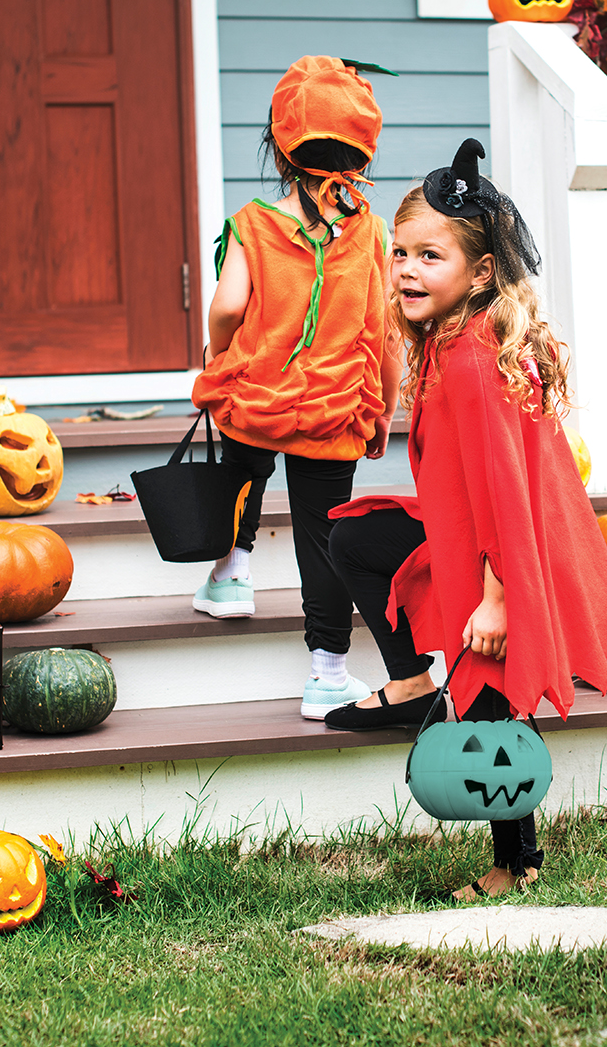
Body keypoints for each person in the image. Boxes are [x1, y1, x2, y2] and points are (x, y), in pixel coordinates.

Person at [322, 138, 607, 900]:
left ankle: (516, 860)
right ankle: (415, 683)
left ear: (480, 273)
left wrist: (496, 597)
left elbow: (502, 488)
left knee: (493, 699)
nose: (406, 270)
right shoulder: (451, 340)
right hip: (469, 532)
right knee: (359, 537)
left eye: (431, 256)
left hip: (508, 550)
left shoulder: (470, 360)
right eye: (400, 253)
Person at [191, 56, 404, 721]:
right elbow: (388, 330)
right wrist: (384, 409)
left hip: (254, 398)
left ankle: (231, 576)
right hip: (334, 411)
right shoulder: (369, 231)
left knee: (242, 473)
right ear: (361, 149)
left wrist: (215, 355)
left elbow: (227, 308)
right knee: (322, 537)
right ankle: (326, 673)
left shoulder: (252, 224)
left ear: (280, 148)